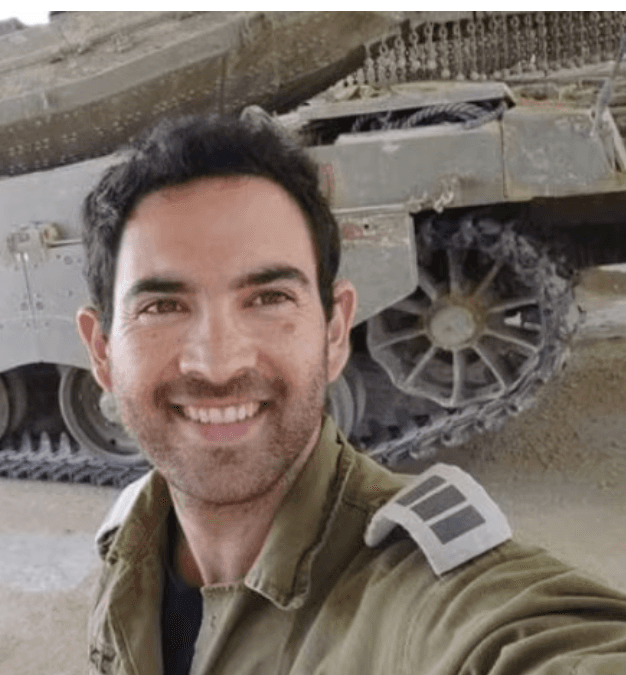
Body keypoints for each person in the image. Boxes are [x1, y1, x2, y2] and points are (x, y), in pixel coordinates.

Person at [75, 112, 626, 675]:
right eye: (162, 307)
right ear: (101, 352)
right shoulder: (132, 542)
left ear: (336, 331)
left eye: (268, 298)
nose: (218, 364)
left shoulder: (425, 602)